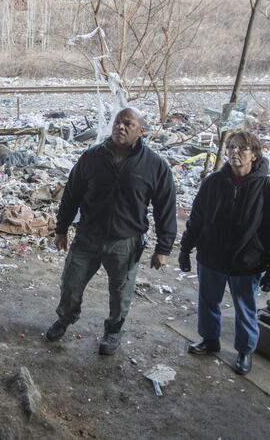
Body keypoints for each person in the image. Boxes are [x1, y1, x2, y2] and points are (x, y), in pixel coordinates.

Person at [44, 107, 177, 355]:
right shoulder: (92, 157)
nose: (120, 127)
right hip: (88, 236)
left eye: (128, 124)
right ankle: (65, 318)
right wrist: (61, 229)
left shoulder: (154, 165)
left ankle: (113, 332)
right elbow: (71, 194)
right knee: (70, 285)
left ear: (141, 131)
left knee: (120, 293)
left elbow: (165, 207)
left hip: (125, 242)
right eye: (118, 122)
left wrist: (163, 248)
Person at [178, 130, 270, 375]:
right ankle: (210, 339)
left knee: (244, 308)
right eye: (231, 147)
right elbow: (196, 219)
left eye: (242, 148)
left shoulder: (268, 187)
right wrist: (185, 249)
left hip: (246, 262)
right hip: (211, 258)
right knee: (208, 302)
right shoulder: (213, 182)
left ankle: (245, 351)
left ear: (255, 154)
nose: (235, 152)